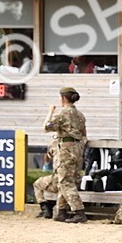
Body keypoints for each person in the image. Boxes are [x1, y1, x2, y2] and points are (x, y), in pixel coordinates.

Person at [45, 86, 88, 223]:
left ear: (63, 98)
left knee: (65, 181)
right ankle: (61, 211)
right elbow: (84, 134)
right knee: (68, 180)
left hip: (65, 150)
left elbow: (47, 127)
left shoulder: (62, 113)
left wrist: (50, 112)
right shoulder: (80, 115)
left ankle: (79, 212)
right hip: (77, 150)